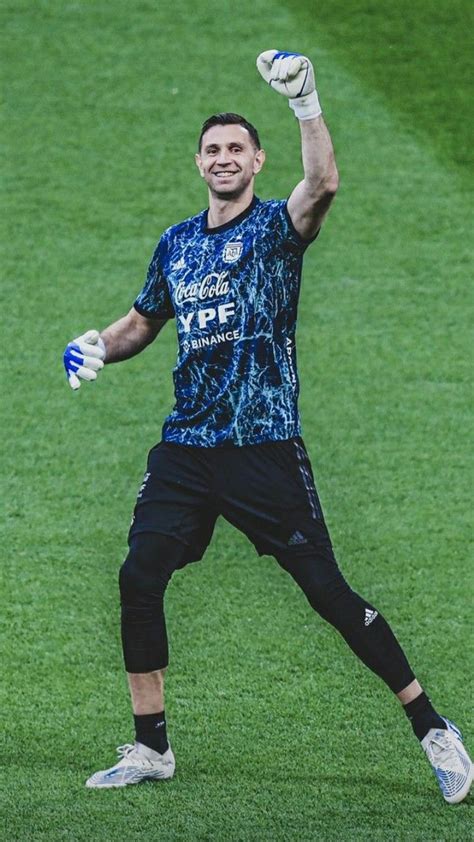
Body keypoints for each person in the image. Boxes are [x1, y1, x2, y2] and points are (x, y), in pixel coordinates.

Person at [64, 50, 472, 802]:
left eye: (235, 149)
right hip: (187, 447)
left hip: (264, 449)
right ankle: (152, 747)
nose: (223, 158)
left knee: (329, 594)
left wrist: (305, 100)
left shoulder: (277, 232)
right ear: (198, 163)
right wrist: (96, 344)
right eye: (212, 149)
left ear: (257, 161)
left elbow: (324, 184)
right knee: (138, 574)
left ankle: (434, 729)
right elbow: (141, 322)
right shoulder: (177, 244)